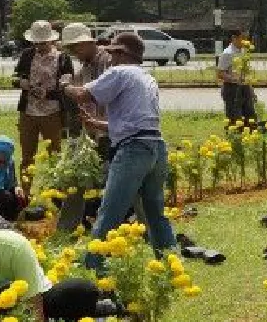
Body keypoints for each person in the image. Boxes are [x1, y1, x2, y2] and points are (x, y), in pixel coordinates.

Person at [64, 32, 178, 252]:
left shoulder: (119, 72)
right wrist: (97, 124)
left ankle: (94, 266)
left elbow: (81, 95)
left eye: (113, 53)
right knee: (155, 214)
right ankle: (170, 262)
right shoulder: (147, 77)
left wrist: (65, 85)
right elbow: (136, 121)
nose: (111, 58)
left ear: (122, 54)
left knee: (109, 212)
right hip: (155, 146)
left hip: (133, 149)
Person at [14, 20, 75, 185]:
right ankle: (25, 193)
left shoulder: (63, 58)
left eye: (43, 42)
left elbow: (66, 85)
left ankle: (57, 190)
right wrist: (22, 83)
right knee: (27, 156)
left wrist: (47, 93)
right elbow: (15, 78)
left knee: (54, 154)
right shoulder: (27, 55)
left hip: (52, 112)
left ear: (51, 40)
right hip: (28, 112)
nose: (40, 45)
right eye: (37, 42)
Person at [61, 22, 113, 139]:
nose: (73, 53)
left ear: (86, 43)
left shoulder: (107, 60)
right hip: (94, 130)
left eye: (73, 48)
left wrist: (66, 86)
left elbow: (82, 94)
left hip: (109, 130)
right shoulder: (85, 66)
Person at [217, 30, 256, 125]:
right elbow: (220, 73)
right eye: (242, 38)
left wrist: (251, 89)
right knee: (234, 118)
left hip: (244, 87)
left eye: (246, 38)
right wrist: (234, 79)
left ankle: (249, 136)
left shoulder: (243, 51)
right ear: (234, 38)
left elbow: (245, 72)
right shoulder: (227, 53)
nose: (245, 41)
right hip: (232, 88)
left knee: (250, 115)